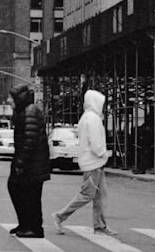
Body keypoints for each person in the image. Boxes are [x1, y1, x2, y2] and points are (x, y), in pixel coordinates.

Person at [52, 89, 117, 236]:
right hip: (93, 162)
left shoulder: (86, 117)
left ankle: (100, 225)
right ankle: (60, 216)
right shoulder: (93, 119)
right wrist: (103, 154)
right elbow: (96, 143)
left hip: (92, 162)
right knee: (87, 194)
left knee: (99, 195)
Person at [7, 84, 51, 238]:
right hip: (31, 163)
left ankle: (33, 228)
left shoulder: (29, 112)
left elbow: (29, 140)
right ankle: (26, 225)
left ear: (19, 98)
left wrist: (20, 163)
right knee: (22, 192)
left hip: (33, 165)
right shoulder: (24, 111)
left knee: (29, 195)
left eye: (11, 98)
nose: (8, 101)